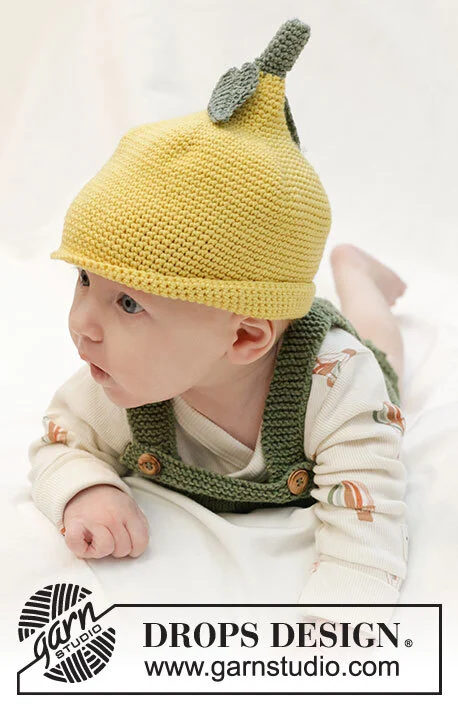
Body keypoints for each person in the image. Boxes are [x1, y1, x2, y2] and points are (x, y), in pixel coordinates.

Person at [27, 18, 409, 625]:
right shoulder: (120, 383)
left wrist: (340, 613)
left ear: (246, 336)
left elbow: (369, 515)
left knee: (383, 346)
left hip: (351, 371)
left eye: (129, 304)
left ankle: (354, 271)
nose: (82, 323)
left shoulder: (338, 387)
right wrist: (86, 488)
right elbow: (60, 439)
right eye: (84, 280)